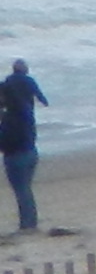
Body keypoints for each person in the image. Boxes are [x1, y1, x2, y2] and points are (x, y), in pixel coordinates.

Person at [0, 60, 40, 236]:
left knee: (21, 190)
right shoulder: (25, 111)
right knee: (25, 189)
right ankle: (30, 222)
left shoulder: (10, 116)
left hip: (17, 155)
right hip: (30, 151)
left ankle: (27, 225)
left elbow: (7, 138)